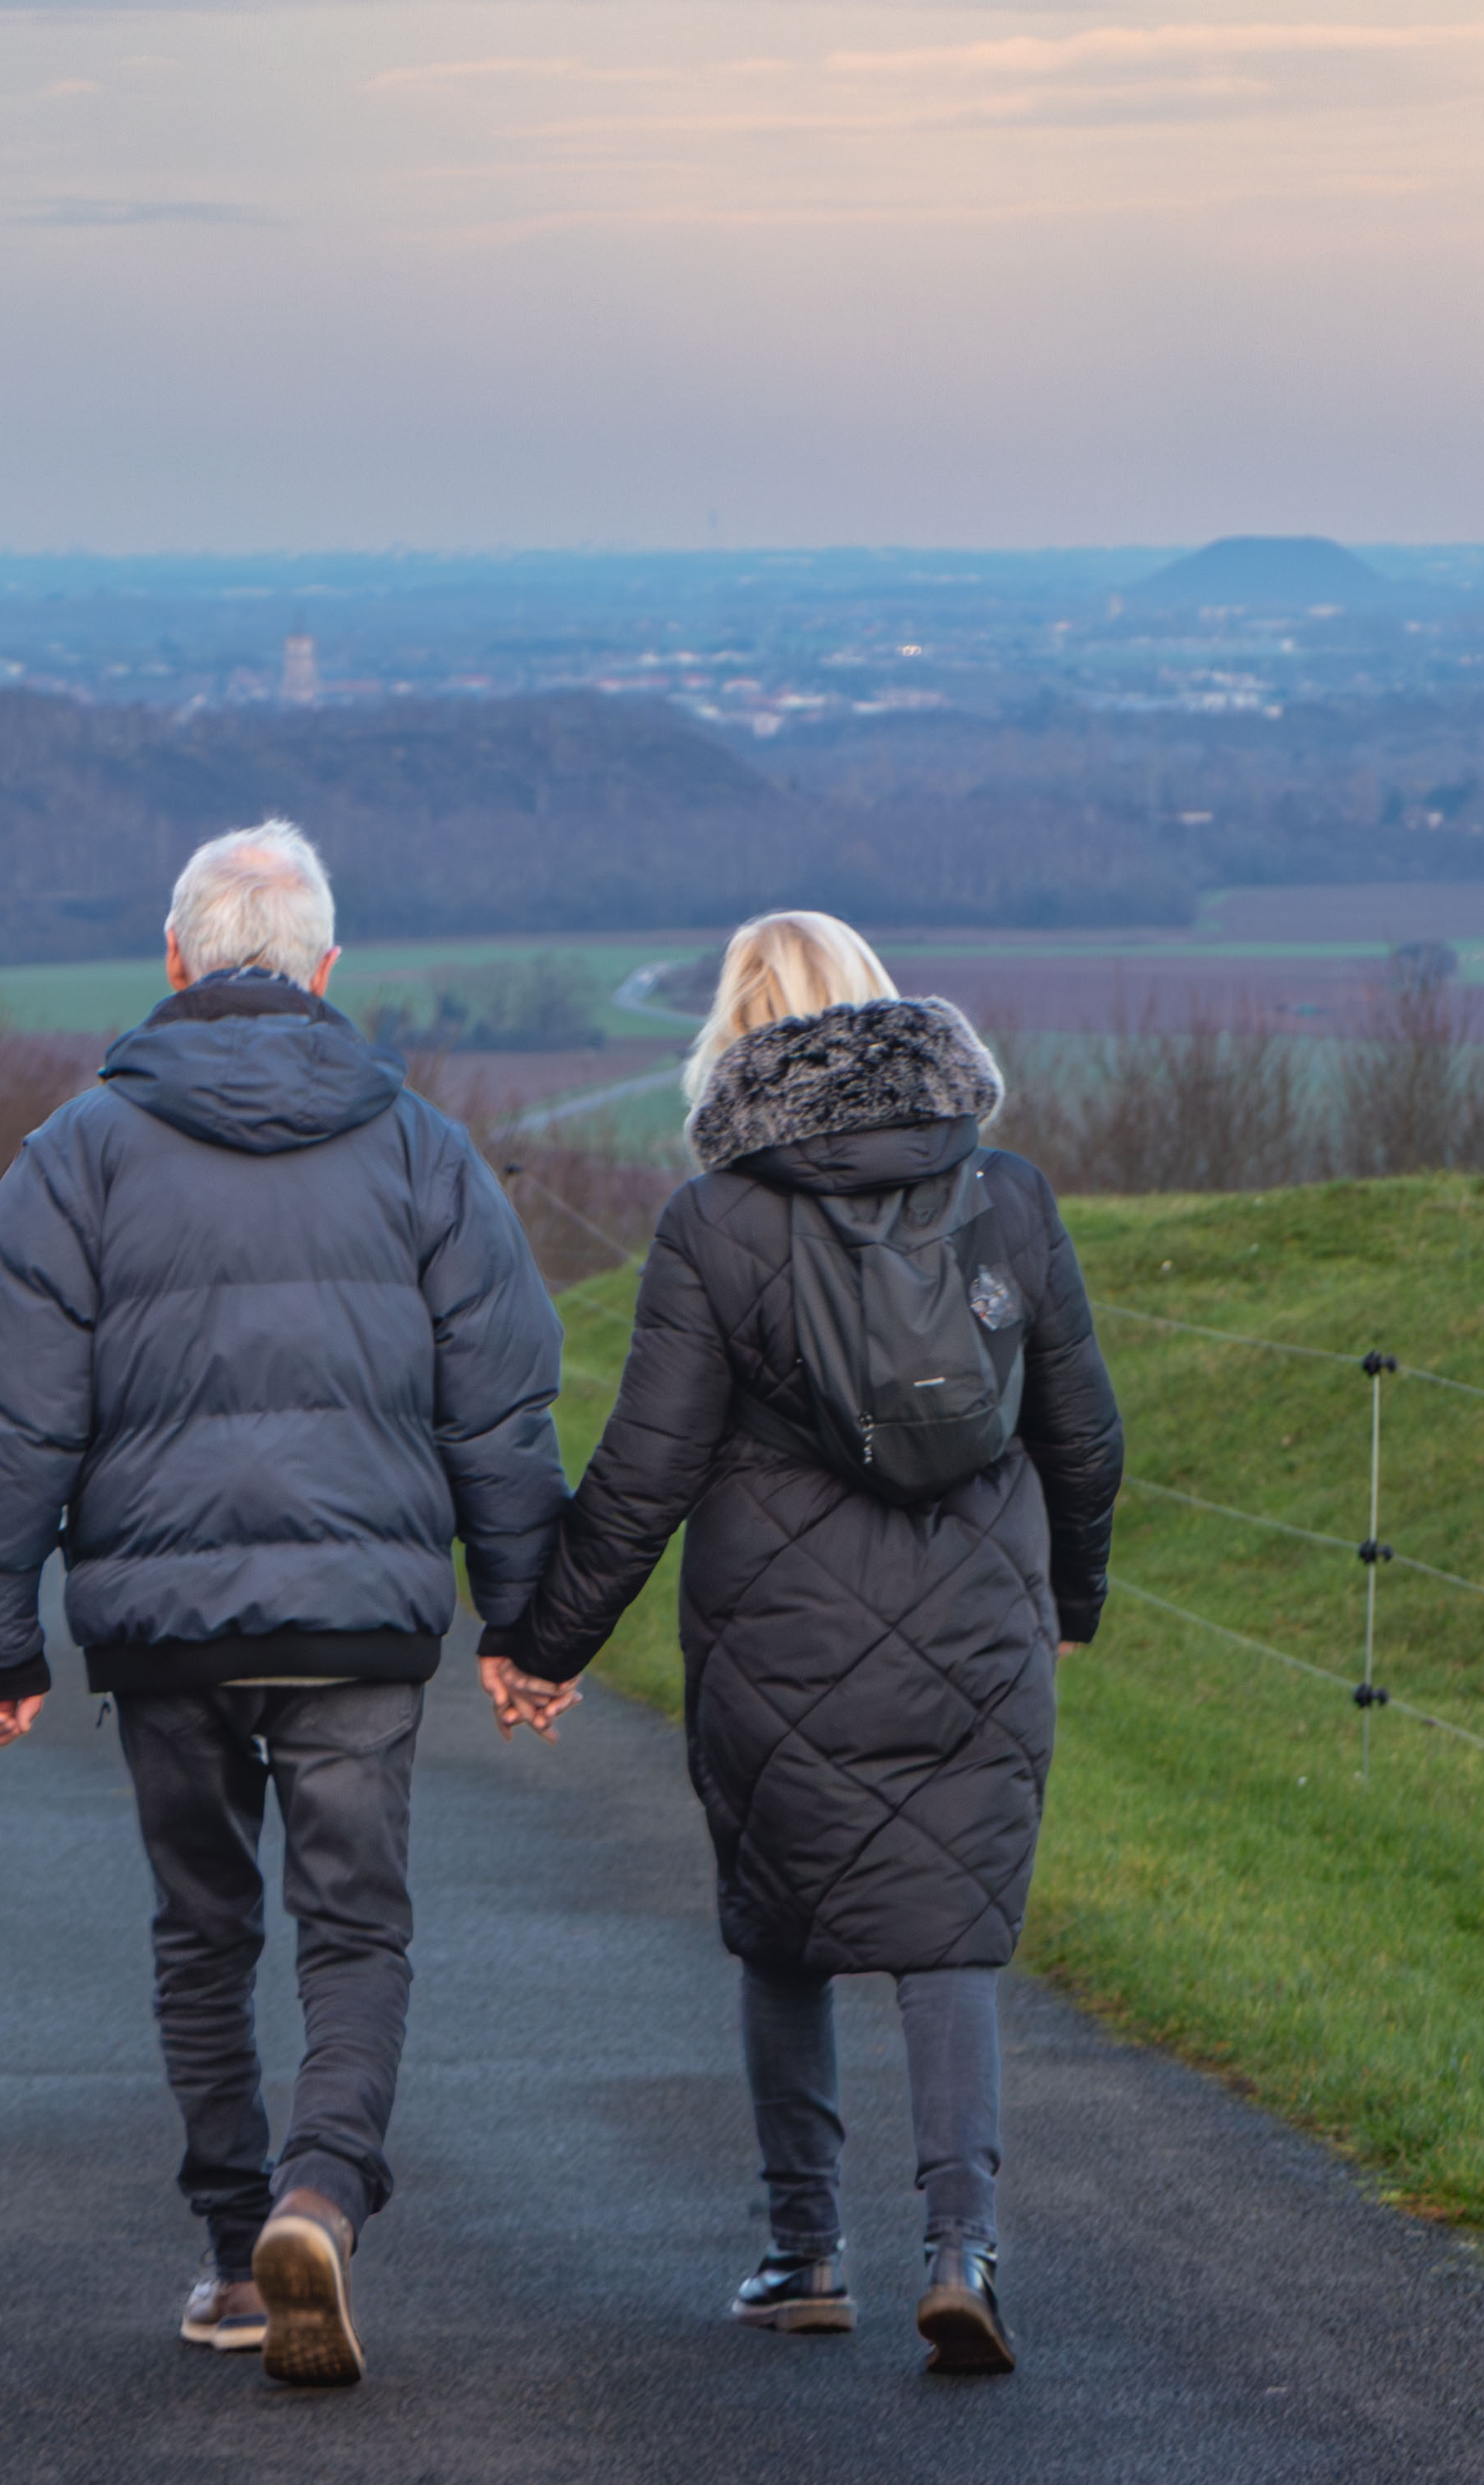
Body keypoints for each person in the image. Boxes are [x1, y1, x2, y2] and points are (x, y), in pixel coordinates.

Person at [0, 820, 567, 2388]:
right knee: (354, 1927)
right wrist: (526, 1624)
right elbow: (501, 1404)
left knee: (203, 1930)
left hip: (162, 1627)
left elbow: (9, 1413)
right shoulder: (422, 1147)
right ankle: (320, 2197)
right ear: (326, 968)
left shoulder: (76, 1150)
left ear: (174, 958)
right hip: (359, 1616)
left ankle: (234, 2257)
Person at [490, 910, 1119, 2373]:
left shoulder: (716, 1221)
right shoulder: (1008, 1196)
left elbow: (644, 1469)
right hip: (978, 1617)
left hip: (779, 1631)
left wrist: (546, 1643)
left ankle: (804, 2252)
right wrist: (1070, 1606)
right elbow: (1083, 1434)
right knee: (952, 1932)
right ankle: (961, 2249)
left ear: (738, 1029)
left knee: (784, 1929)